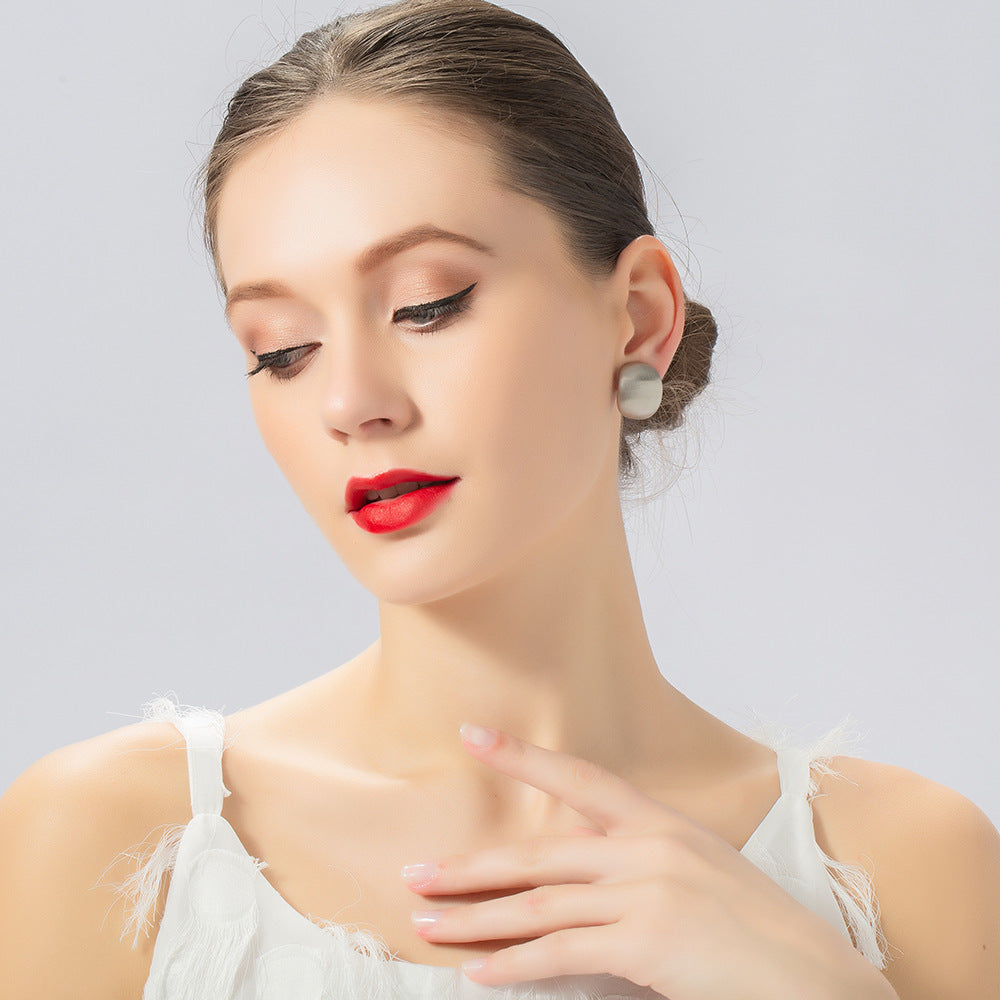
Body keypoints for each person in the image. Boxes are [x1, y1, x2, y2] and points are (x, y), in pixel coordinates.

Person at [0, 1, 997, 998]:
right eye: (283, 351)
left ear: (637, 317)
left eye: (426, 305)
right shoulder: (112, 840)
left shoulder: (908, 866)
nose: (350, 403)